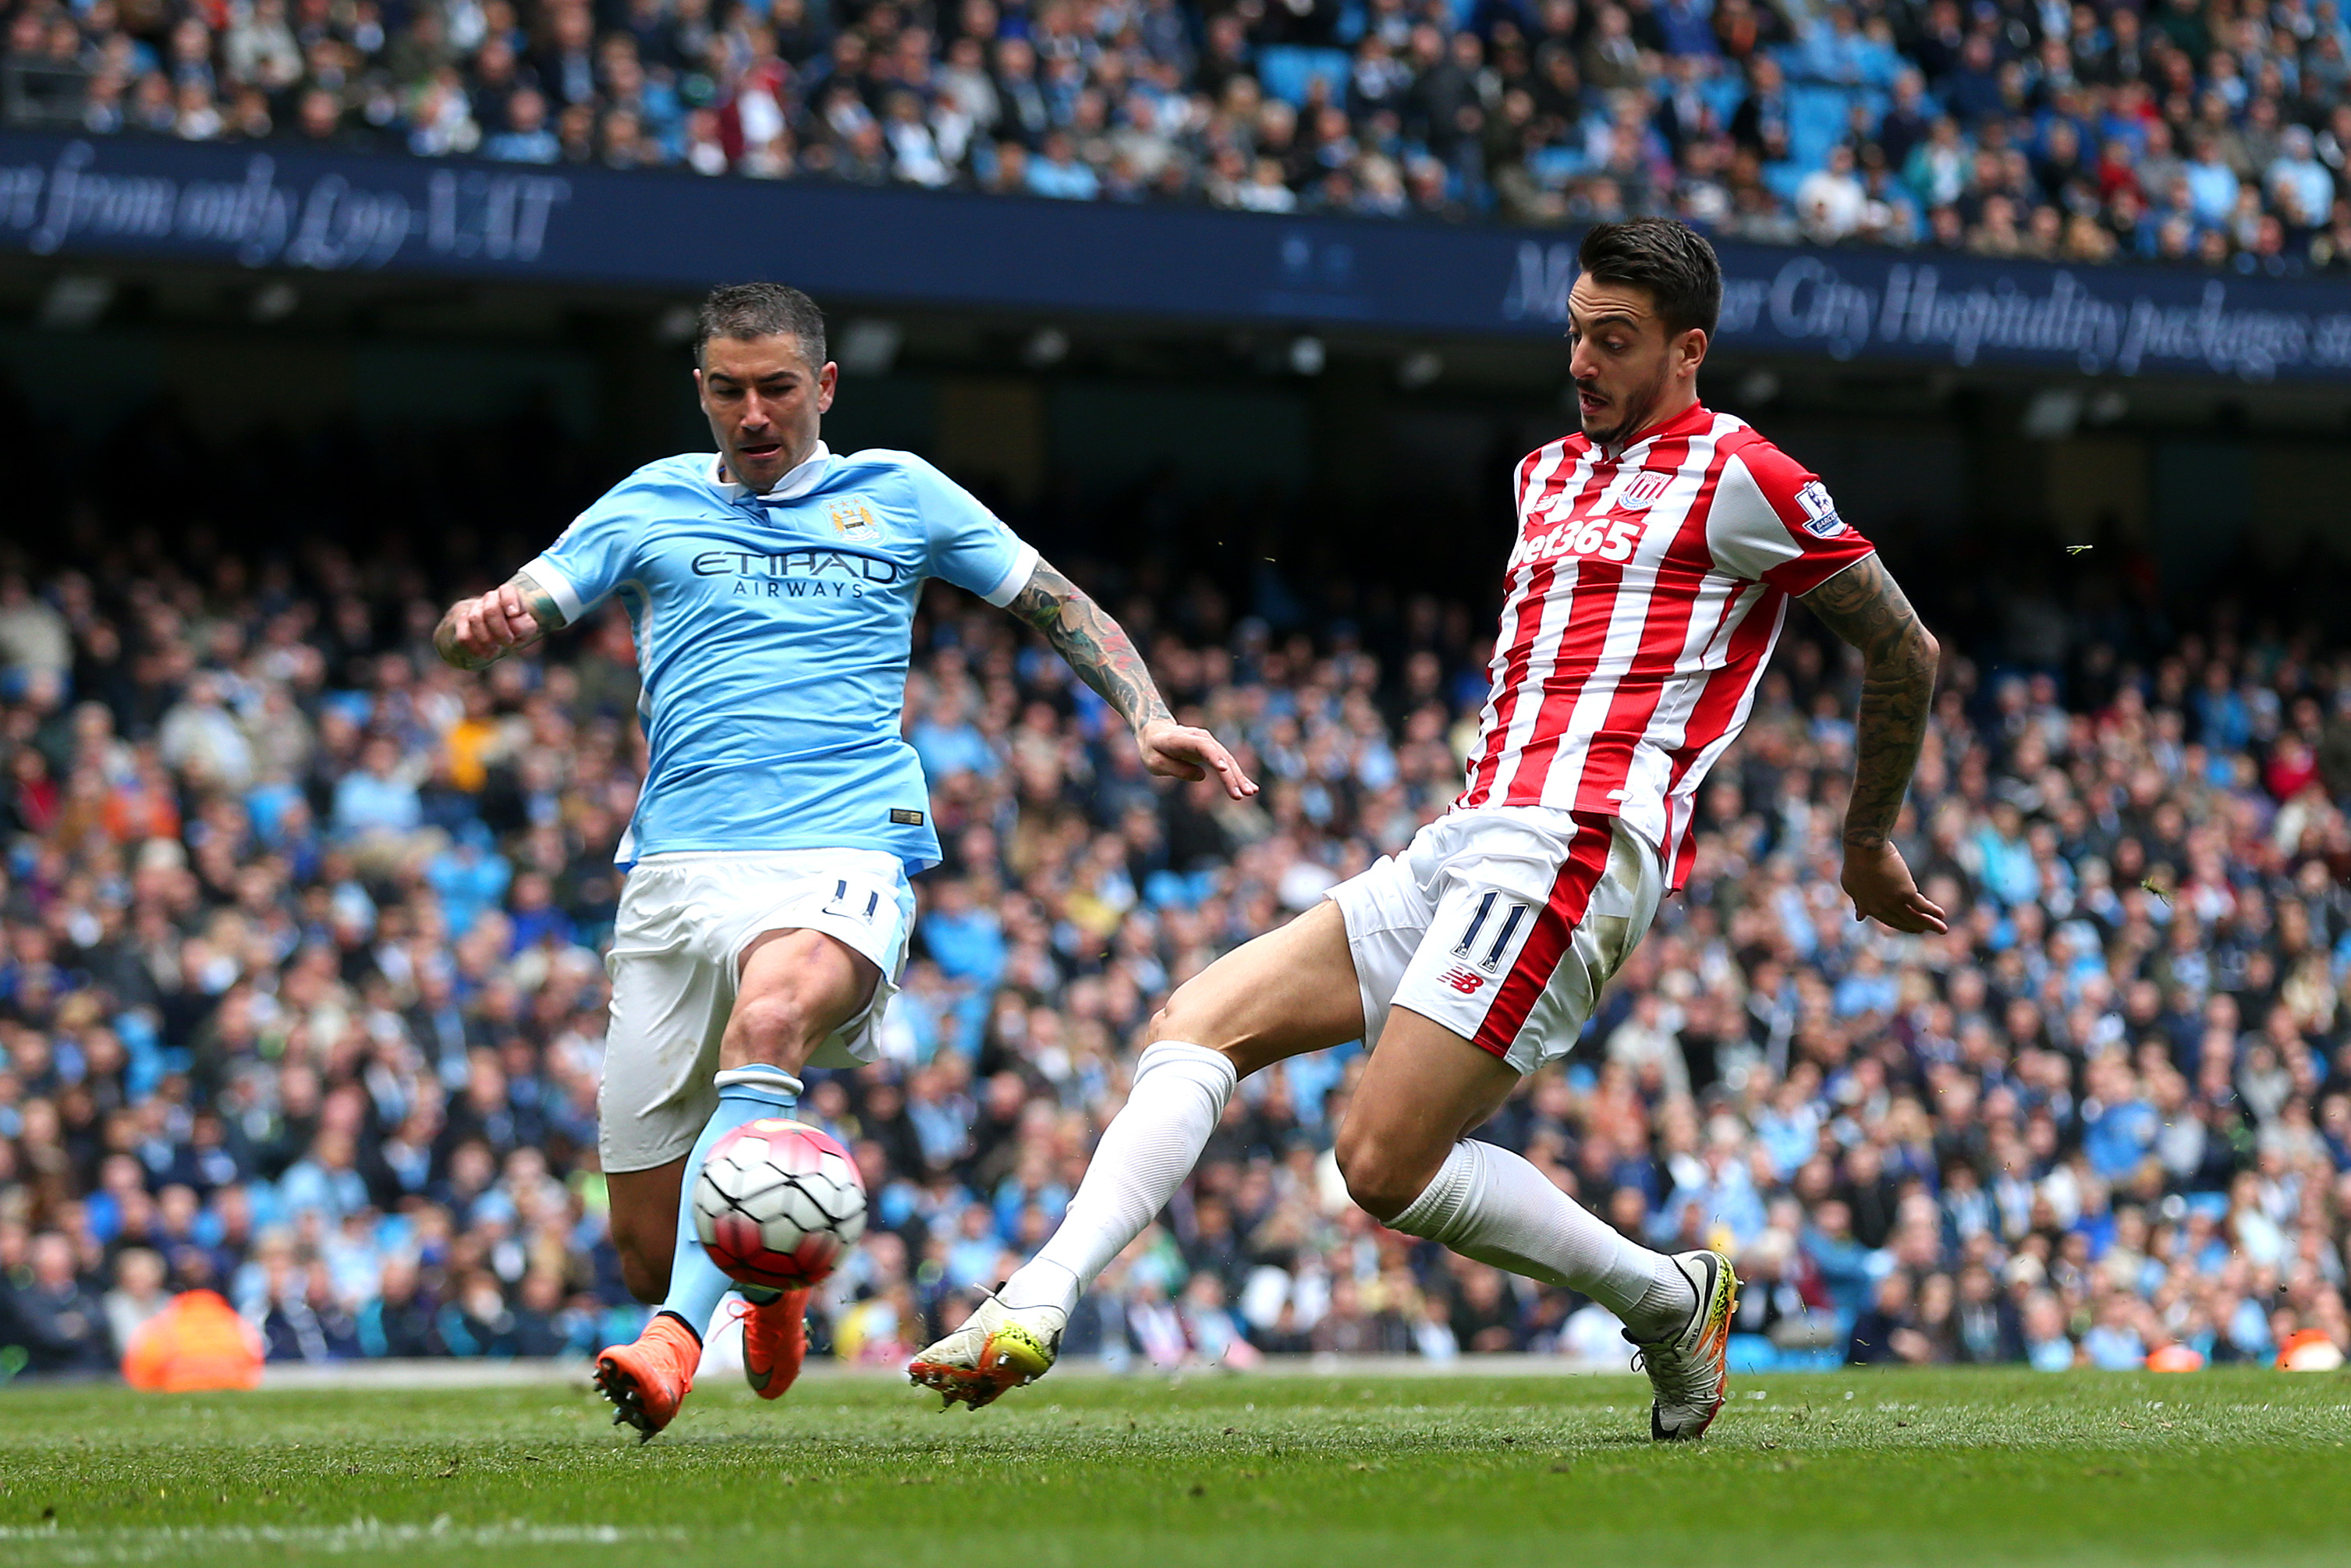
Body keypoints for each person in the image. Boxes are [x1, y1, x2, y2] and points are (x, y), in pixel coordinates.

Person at [910, 218, 1945, 1442]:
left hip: (1578, 839)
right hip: (1465, 833)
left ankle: (1667, 1302)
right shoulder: (1542, 474)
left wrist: (1863, 836)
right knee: (1193, 1022)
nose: (1582, 360)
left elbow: (1901, 644)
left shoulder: (1745, 477)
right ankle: (1032, 1301)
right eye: (1574, 332)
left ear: (1687, 349)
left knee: (1379, 1161)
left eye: (1613, 341)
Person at [433, 282, 1254, 1439]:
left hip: (840, 848)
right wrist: (477, 624)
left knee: (769, 1025)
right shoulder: (652, 500)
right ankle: (771, 1282)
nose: (753, 412)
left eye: (777, 388)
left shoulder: (901, 493)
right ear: (701, 391)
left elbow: (1054, 600)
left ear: (823, 387)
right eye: (729, 390)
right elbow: (509, 611)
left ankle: (678, 1342)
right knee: (639, 1244)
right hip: (676, 874)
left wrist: (1145, 712)